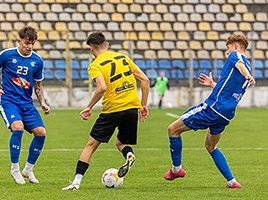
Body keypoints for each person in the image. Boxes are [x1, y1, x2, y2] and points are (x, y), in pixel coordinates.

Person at [163, 33, 255, 188]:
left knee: (172, 129)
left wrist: (248, 76)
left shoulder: (236, 57)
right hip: (226, 114)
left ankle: (176, 169)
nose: (227, 52)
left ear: (236, 46)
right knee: (211, 147)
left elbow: (239, 65)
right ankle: (232, 181)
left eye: (228, 48)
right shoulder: (248, 65)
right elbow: (230, 88)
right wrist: (213, 84)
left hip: (213, 108)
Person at [62, 31, 150, 191]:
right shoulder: (123, 57)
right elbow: (145, 80)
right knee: (122, 142)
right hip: (132, 107)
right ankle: (128, 155)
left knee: (90, 146)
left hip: (112, 109)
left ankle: (76, 182)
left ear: (91, 49)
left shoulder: (95, 65)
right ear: (106, 45)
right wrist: (143, 105)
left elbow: (102, 87)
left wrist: (88, 106)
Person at [0, 26, 50, 185]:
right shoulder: (7, 55)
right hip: (8, 101)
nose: (29, 46)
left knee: (41, 133)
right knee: (18, 128)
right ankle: (15, 169)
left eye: (32, 43)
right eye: (27, 43)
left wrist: (42, 102)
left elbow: (38, 86)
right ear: (19, 41)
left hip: (27, 103)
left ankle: (28, 169)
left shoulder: (37, 61)